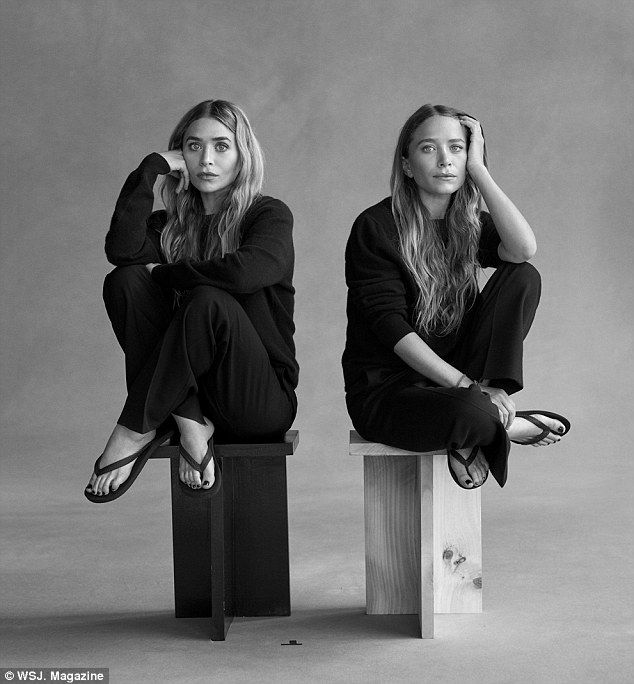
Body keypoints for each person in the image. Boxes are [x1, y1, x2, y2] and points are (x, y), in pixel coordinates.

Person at [342, 104, 570, 489]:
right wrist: (467, 386)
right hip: (388, 392)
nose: (445, 160)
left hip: (461, 379)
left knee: (523, 276)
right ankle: (503, 422)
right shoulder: (375, 227)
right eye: (429, 149)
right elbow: (390, 328)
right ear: (408, 165)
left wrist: (480, 171)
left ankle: (488, 406)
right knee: (471, 412)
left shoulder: (469, 224)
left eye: (457, 148)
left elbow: (523, 249)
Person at [85, 100, 298, 502]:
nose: (206, 159)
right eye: (193, 146)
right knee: (125, 280)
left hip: (257, 399)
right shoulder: (166, 226)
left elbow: (244, 273)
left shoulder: (268, 215)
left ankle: (133, 428)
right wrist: (148, 169)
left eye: (221, 146)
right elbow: (121, 251)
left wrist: (166, 274)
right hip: (190, 395)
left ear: (242, 156)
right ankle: (189, 421)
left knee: (208, 300)